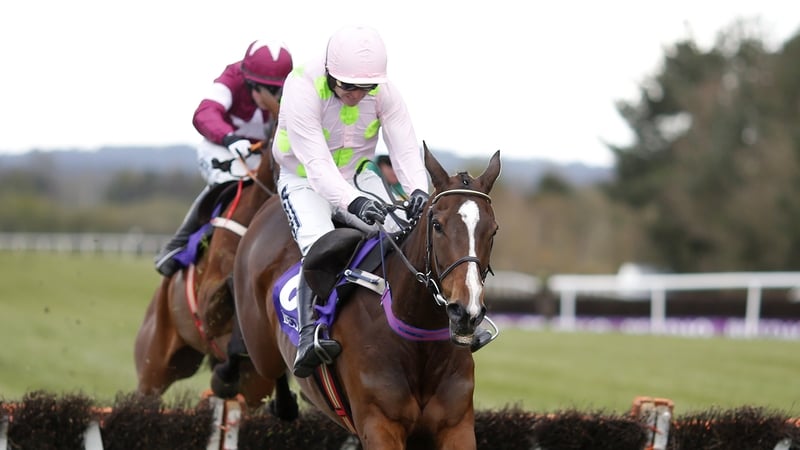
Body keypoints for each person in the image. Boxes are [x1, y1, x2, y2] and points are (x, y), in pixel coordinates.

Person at [272, 25, 431, 378]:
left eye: (366, 88)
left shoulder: (385, 91)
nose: (358, 95)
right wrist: (354, 203)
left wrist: (419, 190)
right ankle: (309, 333)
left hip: (356, 175)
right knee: (320, 242)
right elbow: (316, 166)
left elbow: (405, 149)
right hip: (302, 179)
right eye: (348, 87)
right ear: (330, 73)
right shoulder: (301, 86)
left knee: (403, 230)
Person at [154, 40, 293, 277]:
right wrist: (229, 138)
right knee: (231, 183)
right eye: (263, 89)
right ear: (248, 81)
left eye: (275, 90)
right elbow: (204, 113)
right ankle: (179, 242)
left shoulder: (293, 89)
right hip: (222, 147)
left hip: (261, 154)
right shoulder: (232, 78)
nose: (270, 96)